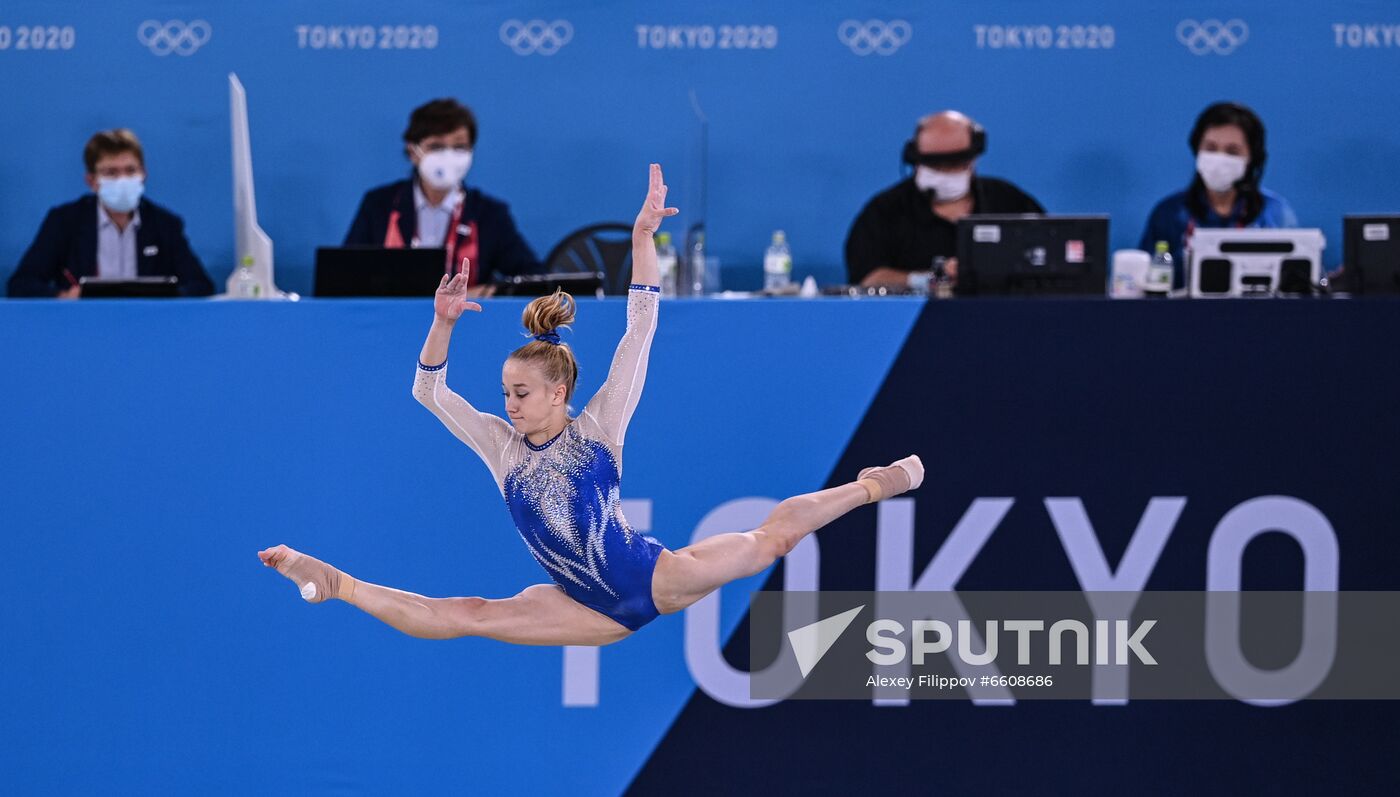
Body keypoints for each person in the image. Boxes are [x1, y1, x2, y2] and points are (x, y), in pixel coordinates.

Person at [261, 164, 923, 646]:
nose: (509, 405)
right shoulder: (502, 447)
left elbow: (641, 326)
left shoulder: (601, 426)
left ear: (558, 393)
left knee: (770, 537)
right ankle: (334, 582)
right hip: (582, 609)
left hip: (652, 579)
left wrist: (642, 238)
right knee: (465, 613)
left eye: (519, 394)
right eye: (504, 394)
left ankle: (871, 485)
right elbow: (428, 390)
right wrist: (443, 324)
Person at [343, 98, 540, 297]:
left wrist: (490, 291)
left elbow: (533, 277)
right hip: (391, 320)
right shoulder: (379, 205)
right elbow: (344, 276)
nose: (448, 157)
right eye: (436, 147)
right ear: (413, 152)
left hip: (463, 322)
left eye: (459, 147)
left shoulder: (488, 213)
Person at [845, 110, 1043, 290]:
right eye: (934, 165)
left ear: (974, 159)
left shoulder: (1009, 202)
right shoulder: (885, 211)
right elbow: (867, 277)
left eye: (954, 163)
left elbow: (1048, 256)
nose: (944, 172)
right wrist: (931, 280)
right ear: (913, 159)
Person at [7, 129, 214, 298]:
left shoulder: (164, 224)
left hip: (149, 326)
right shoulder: (65, 221)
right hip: (83, 326)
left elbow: (200, 285)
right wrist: (64, 296)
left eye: (130, 170)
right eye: (111, 173)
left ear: (143, 174)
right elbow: (22, 284)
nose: (122, 180)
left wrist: (168, 296)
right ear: (92, 181)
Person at [1139, 101, 1299, 289]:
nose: (1219, 159)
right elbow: (1146, 283)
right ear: (1197, 150)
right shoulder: (1170, 213)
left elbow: (1299, 283)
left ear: (1252, 159)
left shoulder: (1275, 213)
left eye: (1232, 151)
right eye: (1211, 148)